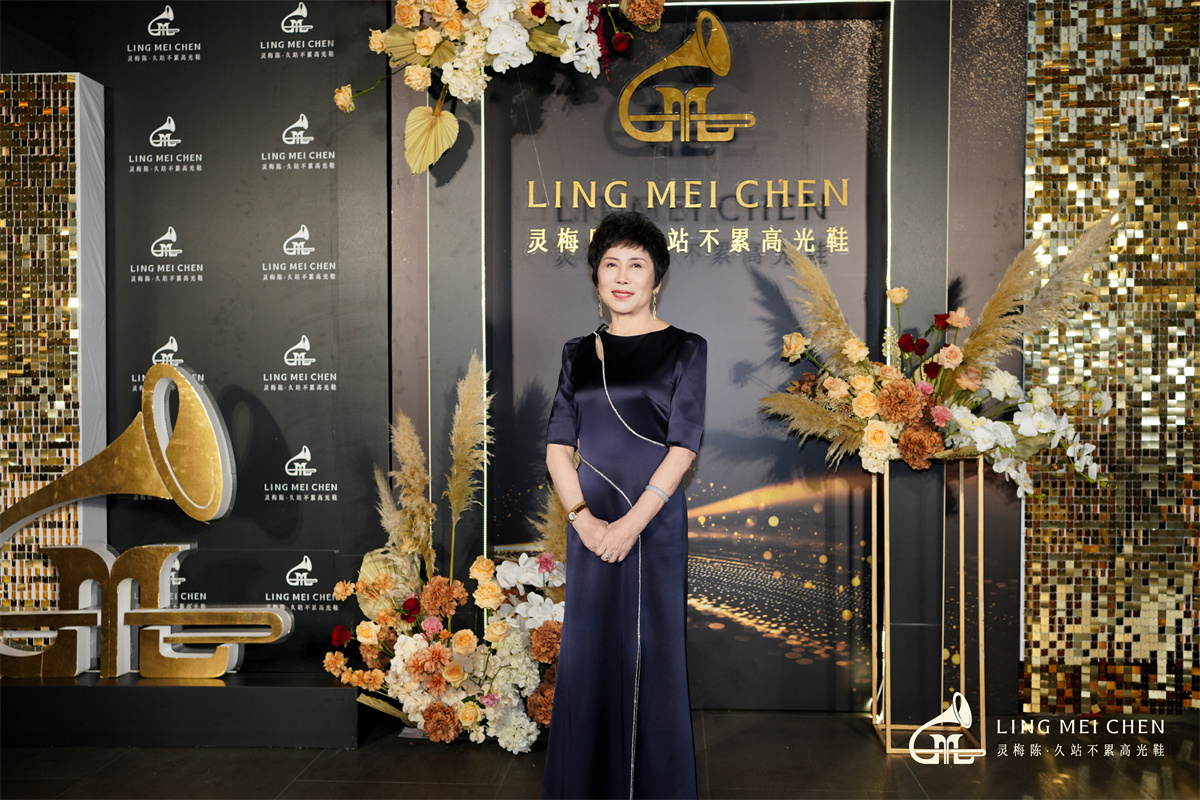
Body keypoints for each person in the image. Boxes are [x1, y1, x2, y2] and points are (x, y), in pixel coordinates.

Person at [541, 211, 706, 799]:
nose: (622, 276)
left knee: (653, 655)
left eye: (637, 264)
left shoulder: (685, 349)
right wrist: (583, 521)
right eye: (610, 264)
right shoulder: (578, 353)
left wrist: (631, 525)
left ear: (657, 279)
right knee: (589, 655)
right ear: (596, 276)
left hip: (652, 523)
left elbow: (684, 447)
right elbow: (558, 447)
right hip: (589, 521)